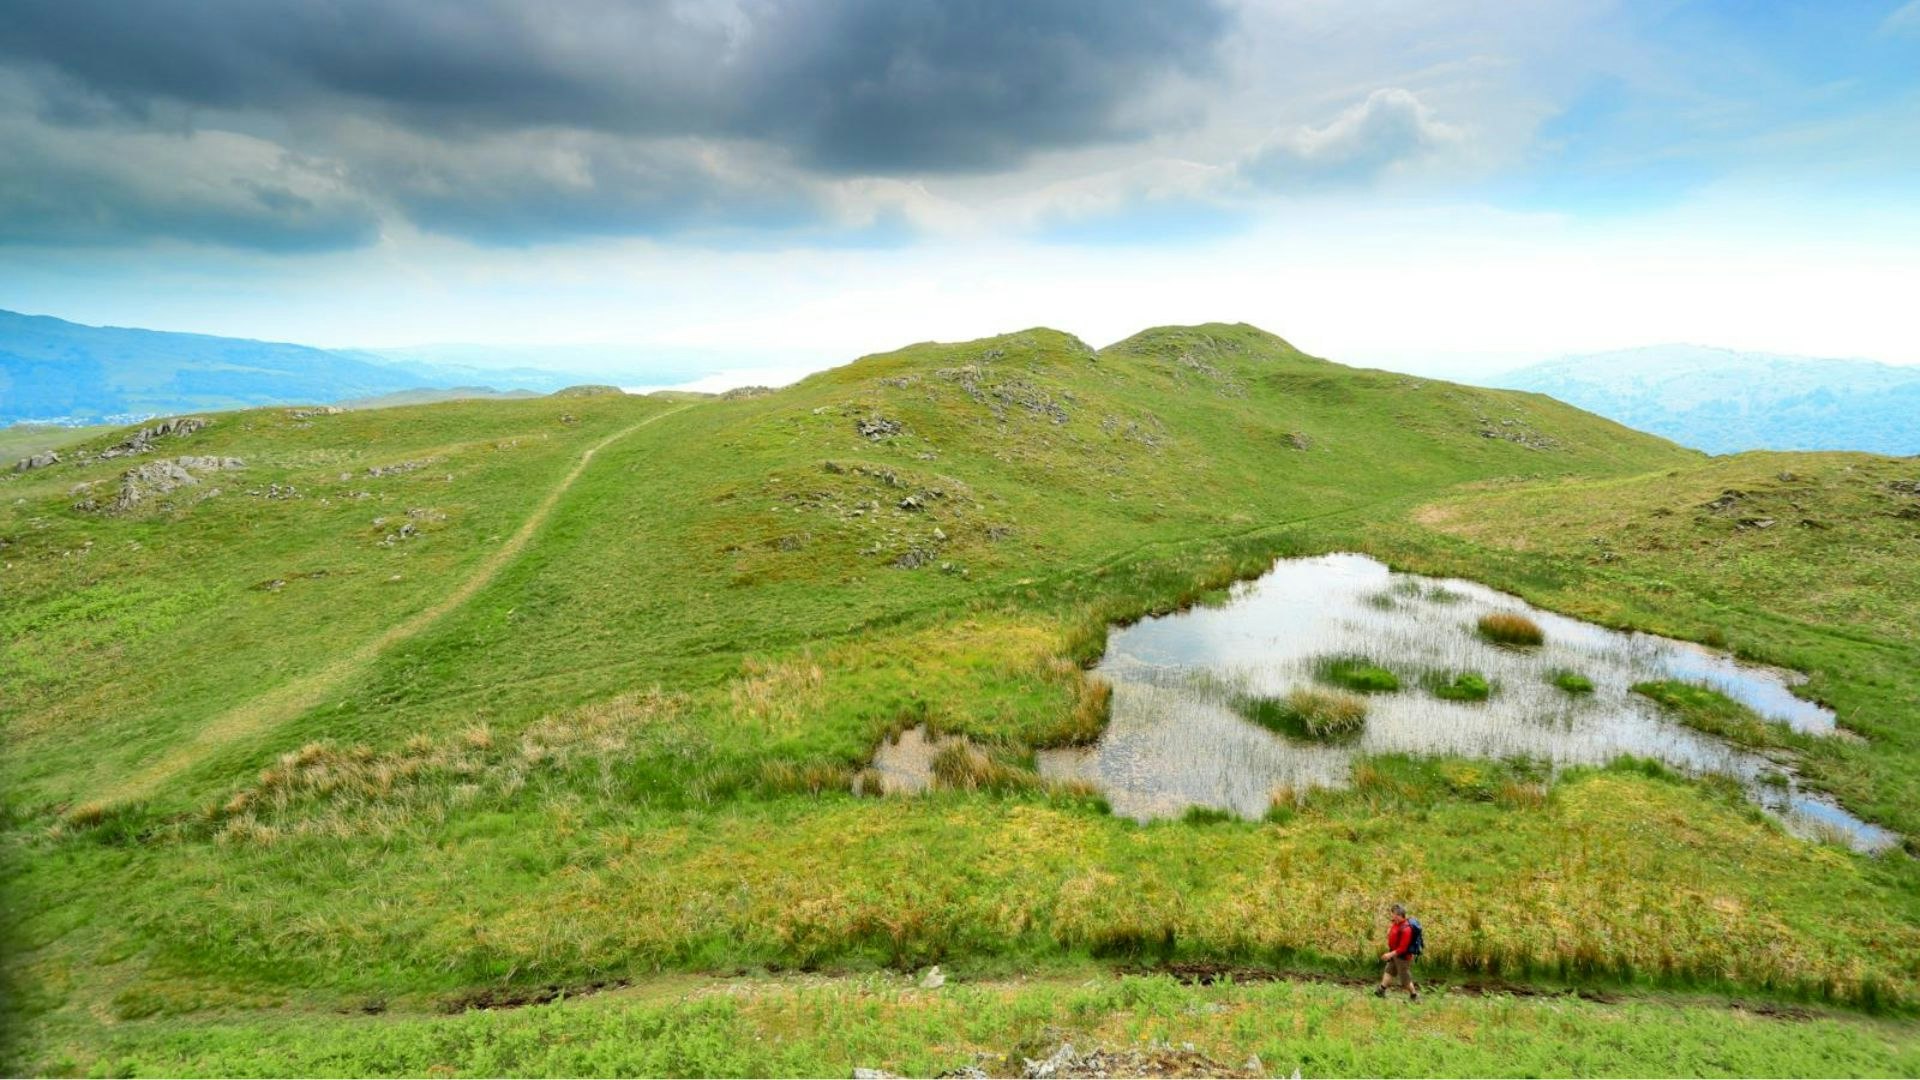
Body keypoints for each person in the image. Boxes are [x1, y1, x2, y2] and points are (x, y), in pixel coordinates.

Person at [1376, 903, 1420, 1002]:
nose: (1391, 916)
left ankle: (1414, 996)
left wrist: (1389, 954)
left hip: (1402, 957)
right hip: (1394, 954)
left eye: (1393, 914)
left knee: (1405, 979)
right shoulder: (1396, 923)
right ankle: (1381, 991)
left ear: (1398, 915)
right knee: (1389, 971)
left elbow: (1403, 948)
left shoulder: (1406, 929)